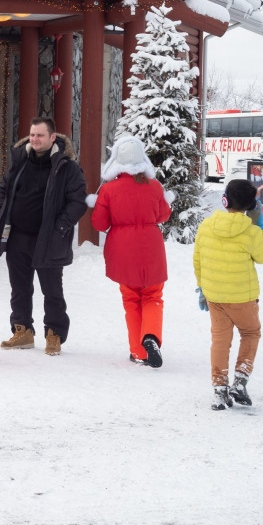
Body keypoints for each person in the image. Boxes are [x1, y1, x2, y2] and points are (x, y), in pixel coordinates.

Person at [0, 117, 87, 356]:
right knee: (20, 288)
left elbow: (78, 201)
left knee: (52, 290)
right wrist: (2, 213)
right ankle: (23, 330)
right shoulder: (19, 161)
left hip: (50, 239)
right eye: (32, 134)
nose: (35, 139)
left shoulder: (67, 167)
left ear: (52, 137)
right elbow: (3, 188)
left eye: (40, 135)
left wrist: (61, 228)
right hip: (18, 237)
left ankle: (54, 334)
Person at [88, 136, 172, 368]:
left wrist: (97, 204)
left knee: (131, 299)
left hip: (123, 249)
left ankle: (138, 351)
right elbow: (164, 215)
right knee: (153, 296)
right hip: (152, 246)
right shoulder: (155, 186)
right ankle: (151, 337)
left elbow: (99, 224)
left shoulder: (108, 189)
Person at [193, 179, 263, 411]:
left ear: (224, 200)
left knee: (220, 341)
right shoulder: (250, 231)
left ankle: (219, 389)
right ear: (251, 205)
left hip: (215, 297)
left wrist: (202, 289)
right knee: (250, 333)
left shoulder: (206, 226)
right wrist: (261, 226)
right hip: (242, 298)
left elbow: (198, 260)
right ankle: (240, 379)